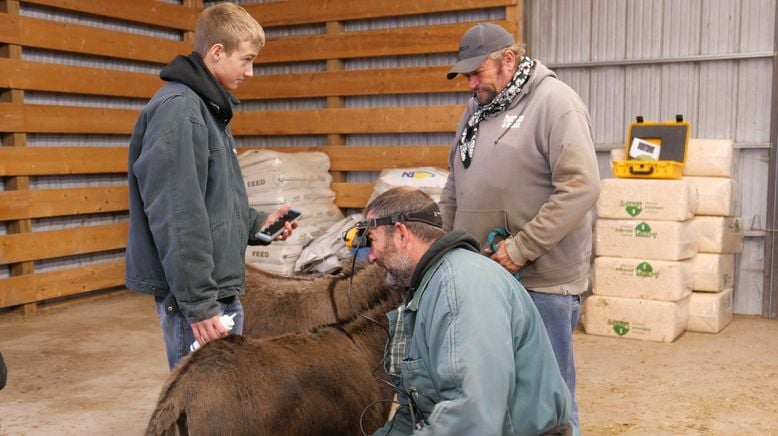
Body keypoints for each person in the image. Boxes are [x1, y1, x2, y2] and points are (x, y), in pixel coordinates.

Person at [439, 23, 601, 430]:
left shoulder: (554, 103)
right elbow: (455, 184)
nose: (470, 82)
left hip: (542, 282)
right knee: (498, 387)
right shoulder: (476, 111)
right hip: (486, 275)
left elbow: (581, 187)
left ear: (508, 60)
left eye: (477, 72)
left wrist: (522, 247)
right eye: (466, 74)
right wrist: (443, 245)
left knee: (549, 393)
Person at [125, 3, 295, 370]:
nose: (250, 72)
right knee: (206, 404)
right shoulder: (180, 112)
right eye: (246, 60)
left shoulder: (206, 109)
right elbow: (177, 216)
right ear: (216, 52)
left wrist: (258, 225)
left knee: (224, 396)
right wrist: (200, 306)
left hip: (214, 288)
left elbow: (212, 201)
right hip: (201, 297)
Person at [360, 187, 574, 435]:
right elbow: (415, 413)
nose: (371, 256)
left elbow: (470, 419)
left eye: (372, 240)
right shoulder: (428, 289)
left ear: (401, 234)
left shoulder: (460, 289)